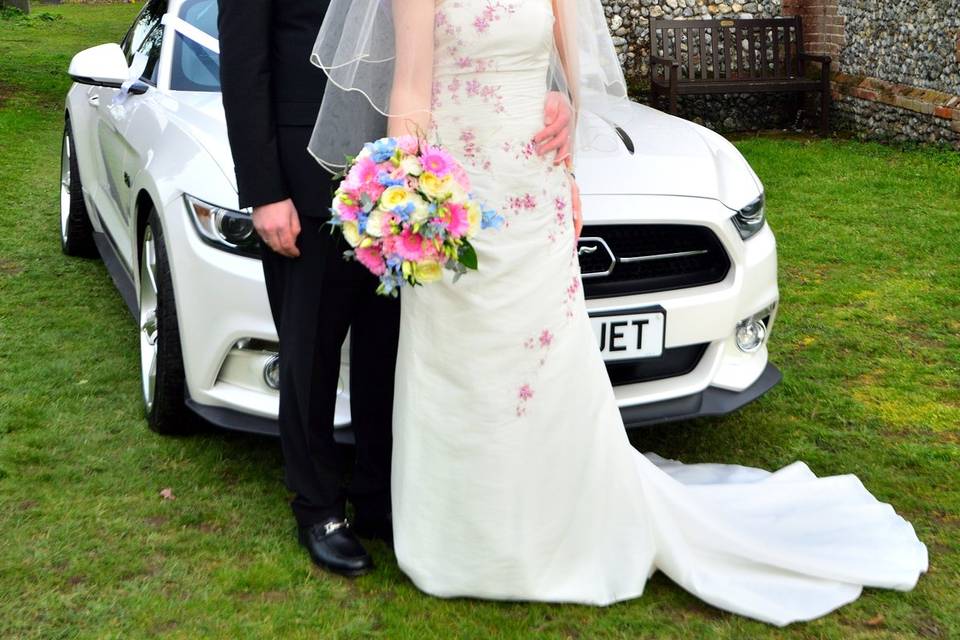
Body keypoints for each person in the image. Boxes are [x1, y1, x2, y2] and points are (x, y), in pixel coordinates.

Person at [309, 0, 928, 625]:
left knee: (549, 363)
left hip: (536, 194)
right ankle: (462, 542)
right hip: (456, 200)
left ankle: (560, 525)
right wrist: (405, 195)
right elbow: (410, 87)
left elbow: (564, 73)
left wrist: (567, 136)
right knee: (459, 363)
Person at [216, 0, 575, 577]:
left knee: (391, 346)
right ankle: (319, 507)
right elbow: (243, 61)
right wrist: (264, 190)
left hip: (411, 171)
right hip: (305, 178)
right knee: (311, 349)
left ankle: (379, 495)